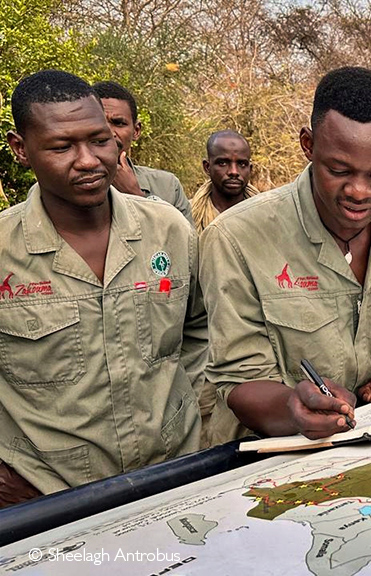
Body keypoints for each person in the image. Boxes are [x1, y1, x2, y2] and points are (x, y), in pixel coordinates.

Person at [0, 70, 207, 505]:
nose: (89, 160)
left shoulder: (167, 228)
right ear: (21, 149)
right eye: (62, 146)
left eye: (99, 140)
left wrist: (194, 422)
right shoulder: (4, 249)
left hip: (174, 480)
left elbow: (200, 331)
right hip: (45, 498)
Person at [200, 67, 371, 443]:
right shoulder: (236, 238)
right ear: (308, 145)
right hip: (271, 458)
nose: (360, 192)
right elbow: (239, 381)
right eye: (339, 170)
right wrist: (294, 408)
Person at [92, 81, 195, 226]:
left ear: (136, 131)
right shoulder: (64, 185)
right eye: (99, 122)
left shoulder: (167, 187)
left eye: (119, 123)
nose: (109, 132)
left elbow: (184, 244)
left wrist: (135, 195)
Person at [191, 130, 260, 233]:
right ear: (207, 167)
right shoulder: (186, 216)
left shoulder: (267, 214)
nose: (234, 172)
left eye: (242, 164)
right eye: (223, 163)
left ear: (250, 169)